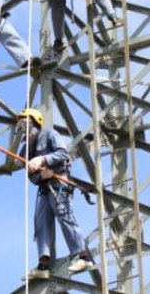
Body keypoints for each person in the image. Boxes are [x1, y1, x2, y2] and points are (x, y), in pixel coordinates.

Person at [16, 108, 94, 280]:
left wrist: (43, 159)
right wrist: (39, 176)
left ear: (34, 123)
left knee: (64, 216)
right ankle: (43, 265)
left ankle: (82, 256)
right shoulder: (25, 150)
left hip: (59, 184)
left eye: (25, 122)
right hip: (44, 187)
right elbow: (30, 174)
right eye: (20, 124)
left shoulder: (50, 134)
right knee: (41, 223)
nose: (22, 126)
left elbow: (63, 153)